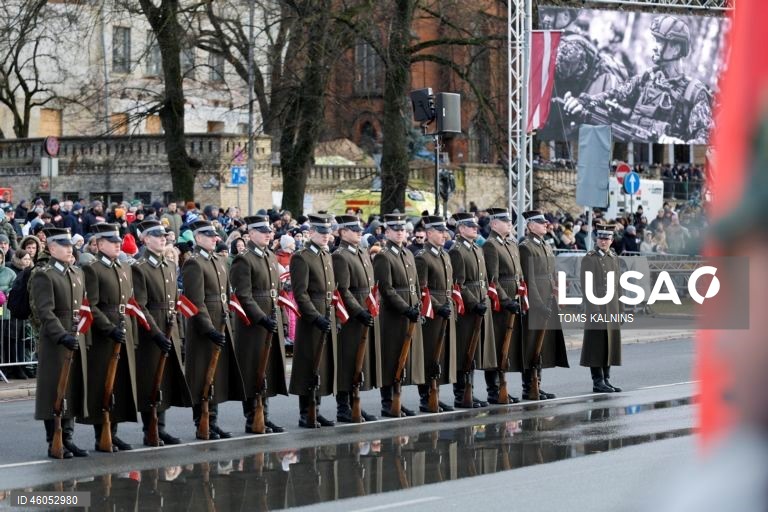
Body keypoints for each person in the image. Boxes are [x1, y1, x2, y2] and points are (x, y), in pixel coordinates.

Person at [562, 15, 713, 144]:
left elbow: (704, 140)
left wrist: (679, 144)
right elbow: (613, 95)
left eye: (660, 41)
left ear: (676, 48)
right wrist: (583, 101)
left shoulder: (694, 93)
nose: (654, 46)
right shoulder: (646, 78)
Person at [182, 219, 245, 440]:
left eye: (215, 235)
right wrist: (209, 329)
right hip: (203, 329)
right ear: (198, 238)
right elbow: (195, 302)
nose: (215, 238)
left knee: (215, 374)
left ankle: (213, 421)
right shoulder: (194, 263)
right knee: (201, 374)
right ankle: (201, 422)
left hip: (220, 323)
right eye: (210, 235)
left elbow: (226, 295)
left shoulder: (219, 261)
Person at [28, 227, 89, 458]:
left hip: (74, 336)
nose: (69, 248)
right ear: (52, 248)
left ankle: (68, 438)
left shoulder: (76, 272)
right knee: (55, 389)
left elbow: (83, 307)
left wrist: (83, 336)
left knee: (70, 387)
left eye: (70, 244)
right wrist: (61, 335)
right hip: (56, 340)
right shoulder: (45, 274)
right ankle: (54, 439)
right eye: (64, 245)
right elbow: (45, 311)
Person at [131, 220, 192, 446]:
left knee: (164, 379)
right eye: (157, 235)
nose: (163, 238)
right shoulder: (140, 266)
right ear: (145, 239)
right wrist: (155, 332)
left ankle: (161, 428)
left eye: (164, 235)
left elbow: (174, 301)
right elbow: (140, 305)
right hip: (152, 330)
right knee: (151, 380)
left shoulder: (168, 265)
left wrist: (177, 331)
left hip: (169, 327)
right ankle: (150, 429)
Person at [79, 223, 138, 452]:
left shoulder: (123, 267)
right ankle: (101, 433)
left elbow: (129, 303)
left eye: (118, 241)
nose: (117, 245)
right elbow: (90, 306)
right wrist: (108, 328)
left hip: (123, 330)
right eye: (112, 242)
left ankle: (113, 432)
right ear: (100, 244)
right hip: (105, 335)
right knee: (104, 385)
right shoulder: (93, 269)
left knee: (119, 384)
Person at [230, 215, 289, 434]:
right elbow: (243, 295)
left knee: (267, 368)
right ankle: (252, 416)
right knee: (253, 368)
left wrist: (280, 319)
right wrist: (260, 318)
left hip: (269, 317)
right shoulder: (243, 259)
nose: (268, 234)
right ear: (251, 234)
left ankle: (264, 413)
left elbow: (277, 293)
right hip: (253, 324)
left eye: (269, 231)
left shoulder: (270, 257)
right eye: (262, 230)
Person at [372, 213, 425, 417]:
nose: (400, 232)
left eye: (402, 229)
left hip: (409, 311)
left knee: (404, 358)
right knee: (392, 357)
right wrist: (405, 308)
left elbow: (416, 285)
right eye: (396, 229)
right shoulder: (384, 256)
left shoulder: (407, 254)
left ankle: (398, 399)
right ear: (387, 232)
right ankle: (388, 402)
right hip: (393, 315)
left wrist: (417, 304)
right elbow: (386, 288)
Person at [288, 214, 338, 428]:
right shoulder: (302, 257)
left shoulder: (326, 255)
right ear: (311, 233)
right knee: (310, 363)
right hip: (312, 317)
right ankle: (305, 411)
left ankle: (316, 409)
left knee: (322, 364)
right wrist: (315, 317)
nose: (326, 236)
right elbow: (301, 294)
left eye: (327, 232)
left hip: (326, 311)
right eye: (321, 232)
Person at [330, 215, 379, 422]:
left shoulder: (361, 252)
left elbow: (369, 285)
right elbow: (343, 289)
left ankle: (355, 401)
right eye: (354, 229)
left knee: (360, 361)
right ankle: (344, 407)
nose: (359, 232)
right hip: (351, 316)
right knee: (348, 360)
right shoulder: (340, 255)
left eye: (359, 229)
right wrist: (358, 311)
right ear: (342, 232)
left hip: (364, 311)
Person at [518, 211, 569, 400]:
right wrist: (538, 304)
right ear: (530, 226)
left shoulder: (545, 245)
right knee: (532, 344)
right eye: (541, 223)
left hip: (548, 297)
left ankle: (538, 384)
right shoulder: (526, 247)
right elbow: (528, 279)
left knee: (544, 343)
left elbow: (551, 273)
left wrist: (557, 292)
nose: (545, 225)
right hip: (536, 302)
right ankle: (529, 386)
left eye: (545, 223)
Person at [448, 212, 496, 408]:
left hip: (480, 302)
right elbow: (458, 284)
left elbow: (483, 280)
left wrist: (484, 298)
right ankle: (461, 394)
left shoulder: (476, 248)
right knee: (465, 351)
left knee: (474, 351)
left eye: (476, 226)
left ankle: (470, 391)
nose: (475, 228)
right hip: (468, 309)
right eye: (470, 226)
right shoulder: (457, 251)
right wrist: (472, 302)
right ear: (460, 229)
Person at [414, 215, 457, 413]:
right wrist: (438, 306)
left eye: (445, 231)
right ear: (429, 233)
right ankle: (426, 397)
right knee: (431, 353)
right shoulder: (423, 257)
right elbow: (422, 289)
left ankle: (436, 393)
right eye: (440, 232)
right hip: (432, 312)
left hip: (446, 307)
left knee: (441, 354)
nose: (444, 235)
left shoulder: (445, 255)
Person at [482, 208, 524, 404]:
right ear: (493, 224)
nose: (509, 223)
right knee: (498, 345)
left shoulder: (510, 243)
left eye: (510, 221)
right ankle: (494, 389)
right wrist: (506, 300)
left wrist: (522, 295)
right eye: (505, 221)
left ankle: (503, 384)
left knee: (507, 346)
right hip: (501, 303)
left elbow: (519, 274)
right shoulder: (491, 245)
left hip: (514, 297)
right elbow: (493, 279)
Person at [579, 224, 623, 393]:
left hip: (611, 306)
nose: (603, 242)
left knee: (610, 343)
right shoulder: (590, 258)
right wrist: (595, 309)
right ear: (596, 240)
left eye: (607, 239)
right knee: (597, 344)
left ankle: (606, 378)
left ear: (611, 241)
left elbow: (617, 285)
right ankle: (598, 381)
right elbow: (587, 286)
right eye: (601, 238)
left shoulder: (613, 256)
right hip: (596, 307)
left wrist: (621, 308)